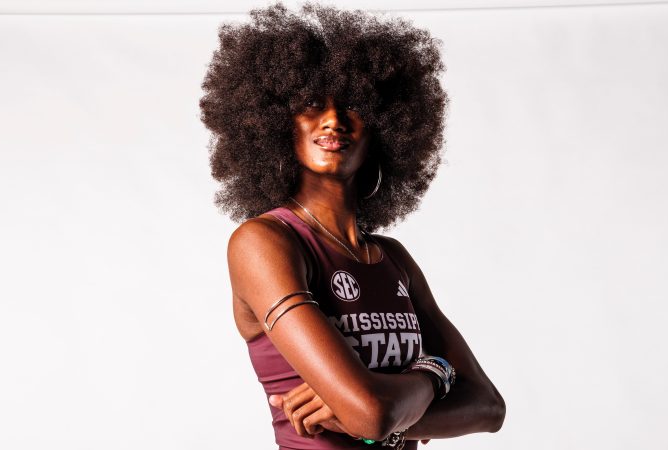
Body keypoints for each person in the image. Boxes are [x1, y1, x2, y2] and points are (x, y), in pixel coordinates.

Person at [199, 3, 505, 449]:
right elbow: (370, 413)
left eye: (354, 105)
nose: (334, 120)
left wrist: (401, 397)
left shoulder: (394, 259)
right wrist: (432, 376)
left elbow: (488, 407)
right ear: (275, 123)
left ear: (385, 125)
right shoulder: (265, 242)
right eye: (310, 105)